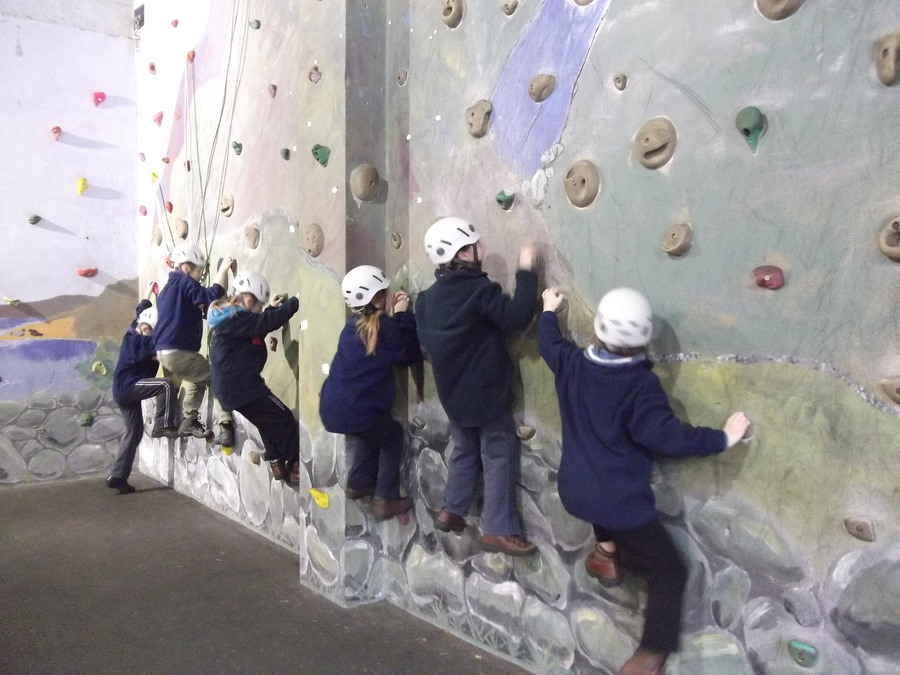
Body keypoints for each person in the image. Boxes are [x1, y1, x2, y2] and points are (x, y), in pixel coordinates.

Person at [537, 286, 751, 675]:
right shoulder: (639, 386)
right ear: (644, 338)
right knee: (671, 570)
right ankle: (649, 655)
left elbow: (549, 343)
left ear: (599, 331)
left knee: (602, 507)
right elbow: (668, 437)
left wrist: (549, 311)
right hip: (617, 501)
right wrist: (722, 437)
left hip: (574, 490)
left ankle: (606, 554)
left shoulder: (571, 362)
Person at [415, 216, 538, 556]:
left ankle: (451, 509)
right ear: (465, 254)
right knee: (497, 454)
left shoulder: (425, 300)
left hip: (453, 396)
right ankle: (498, 529)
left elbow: (424, 344)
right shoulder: (479, 291)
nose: (481, 249)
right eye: (474, 245)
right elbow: (516, 318)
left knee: (465, 452)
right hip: (487, 396)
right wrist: (527, 271)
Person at [319, 265, 422, 521]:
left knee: (369, 432)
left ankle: (359, 482)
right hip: (358, 410)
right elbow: (407, 354)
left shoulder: (351, 326)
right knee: (391, 435)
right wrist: (402, 315)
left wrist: (391, 315)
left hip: (332, 409)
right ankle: (385, 498)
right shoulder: (384, 326)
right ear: (377, 297)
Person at [208, 271, 301, 486]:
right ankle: (296, 466)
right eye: (259, 305)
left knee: (265, 421)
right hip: (243, 388)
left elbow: (257, 324)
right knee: (284, 418)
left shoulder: (230, 319)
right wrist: (296, 302)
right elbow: (263, 323)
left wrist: (270, 309)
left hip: (231, 390)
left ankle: (276, 463)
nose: (259, 310)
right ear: (249, 299)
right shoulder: (236, 316)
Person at [154, 242, 235, 445]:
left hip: (166, 354)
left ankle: (189, 419)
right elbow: (209, 297)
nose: (201, 275)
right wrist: (223, 270)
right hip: (178, 350)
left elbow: (196, 309)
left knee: (197, 376)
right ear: (187, 266)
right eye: (200, 270)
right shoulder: (184, 282)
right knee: (217, 377)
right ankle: (225, 425)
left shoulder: (167, 290)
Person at [107, 282, 179, 494]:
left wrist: (148, 293)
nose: (146, 332)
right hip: (129, 387)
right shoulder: (139, 342)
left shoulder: (134, 328)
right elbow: (159, 351)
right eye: (146, 329)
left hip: (123, 391)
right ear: (142, 327)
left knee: (134, 431)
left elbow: (142, 310)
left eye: (149, 330)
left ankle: (118, 476)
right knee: (165, 386)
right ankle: (162, 425)